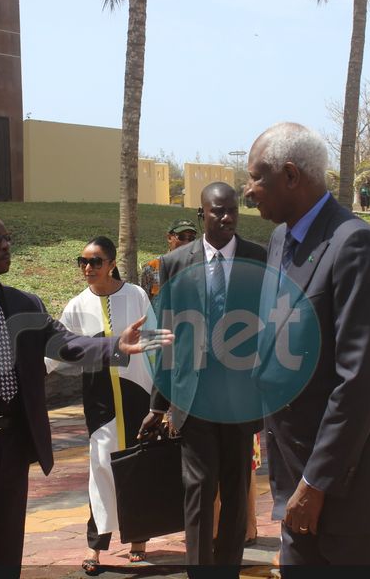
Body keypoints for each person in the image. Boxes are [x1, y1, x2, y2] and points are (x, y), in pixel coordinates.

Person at [0, 214, 170, 572]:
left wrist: (114, 346)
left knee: (5, 545)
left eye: (7, 238)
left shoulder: (25, 303)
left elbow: (66, 344)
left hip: (13, 445)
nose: (6, 245)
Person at [244, 122, 370, 571]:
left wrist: (316, 483)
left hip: (354, 491)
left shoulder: (356, 245)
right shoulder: (279, 240)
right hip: (298, 481)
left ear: (291, 175)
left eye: (256, 177)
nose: (248, 191)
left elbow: (359, 380)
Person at [138, 182, 267, 573]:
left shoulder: (258, 259)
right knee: (198, 490)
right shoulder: (174, 263)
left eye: (232, 211)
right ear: (202, 214)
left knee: (235, 492)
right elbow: (165, 337)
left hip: (241, 400)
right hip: (193, 400)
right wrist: (158, 405)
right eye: (217, 211)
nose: (226, 218)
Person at [46, 236, 154, 574]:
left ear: (111, 263)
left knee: (138, 465)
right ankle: (95, 545)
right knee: (100, 467)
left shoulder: (135, 295)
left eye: (95, 261)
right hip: (99, 399)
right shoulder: (77, 304)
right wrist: (31, 374)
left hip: (138, 392)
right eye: (83, 262)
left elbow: (154, 338)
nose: (88, 268)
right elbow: (59, 347)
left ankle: (139, 538)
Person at [139, 219, 197, 302]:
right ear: (169, 237)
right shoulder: (152, 267)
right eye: (181, 237)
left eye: (191, 238)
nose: (186, 242)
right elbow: (144, 303)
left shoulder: (200, 267)